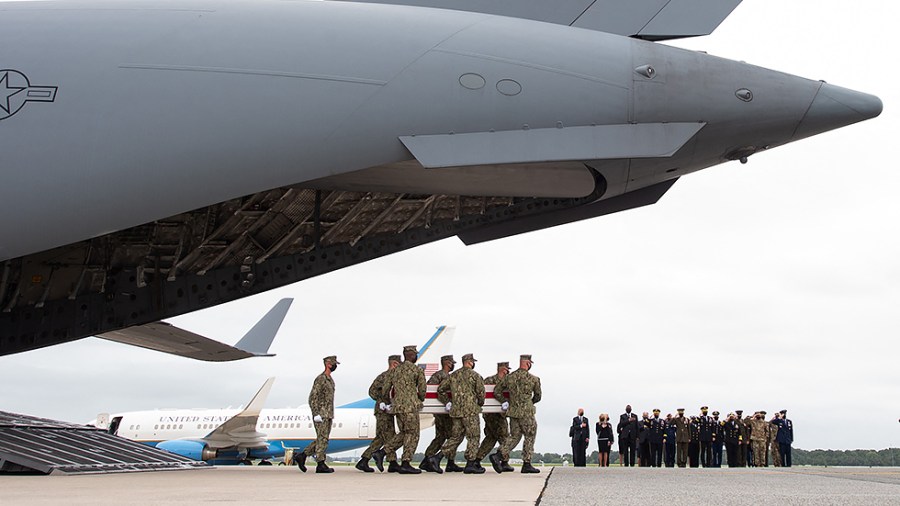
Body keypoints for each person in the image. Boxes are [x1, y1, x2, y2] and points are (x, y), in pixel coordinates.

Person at [434, 353, 485, 474]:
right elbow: (481, 394)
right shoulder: (475, 376)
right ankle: (471, 463)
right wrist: (479, 404)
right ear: (470, 362)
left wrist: (447, 402)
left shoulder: (453, 375)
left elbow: (440, 390)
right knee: (473, 436)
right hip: (470, 411)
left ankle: (437, 457)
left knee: (456, 437)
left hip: (456, 412)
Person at [490, 354, 541, 474]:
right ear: (528, 363)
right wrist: (529, 402)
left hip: (513, 412)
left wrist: (505, 401)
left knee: (514, 436)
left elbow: (497, 391)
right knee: (529, 436)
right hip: (527, 413)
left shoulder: (509, 378)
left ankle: (498, 455)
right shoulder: (533, 379)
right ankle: (527, 463)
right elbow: (538, 396)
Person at [382, 345, 427, 474]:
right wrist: (419, 398)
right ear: (412, 355)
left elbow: (385, 390)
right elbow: (422, 390)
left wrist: (391, 401)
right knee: (413, 434)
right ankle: (405, 462)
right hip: (410, 407)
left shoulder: (394, 371)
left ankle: (381, 453)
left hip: (397, 407)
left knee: (404, 433)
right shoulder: (417, 370)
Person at [356, 354, 400, 473]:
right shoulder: (383, 376)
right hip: (382, 410)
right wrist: (381, 401)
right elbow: (372, 391)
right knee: (389, 435)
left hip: (389, 410)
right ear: (394, 364)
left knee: (381, 437)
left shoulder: (396, 376)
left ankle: (364, 460)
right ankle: (392, 462)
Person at [296, 355, 339, 474]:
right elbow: (313, 397)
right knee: (322, 439)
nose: (336, 366)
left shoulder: (330, 379)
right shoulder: (320, 379)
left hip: (328, 413)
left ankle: (302, 456)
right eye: (334, 363)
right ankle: (320, 464)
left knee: (322, 439)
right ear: (328, 364)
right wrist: (316, 413)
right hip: (321, 413)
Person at [420, 355, 456, 473]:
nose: (453, 365)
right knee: (451, 436)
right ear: (447, 363)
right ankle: (433, 459)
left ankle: (429, 459)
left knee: (442, 437)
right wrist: (444, 402)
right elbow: (430, 389)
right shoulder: (439, 375)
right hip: (441, 411)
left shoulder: (448, 376)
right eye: (451, 363)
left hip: (445, 411)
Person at [476, 362, 512, 471]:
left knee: (491, 437)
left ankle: (476, 459)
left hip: (491, 414)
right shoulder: (500, 381)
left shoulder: (488, 380)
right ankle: (503, 460)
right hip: (495, 415)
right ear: (503, 369)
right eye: (506, 369)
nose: (508, 371)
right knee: (505, 437)